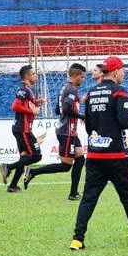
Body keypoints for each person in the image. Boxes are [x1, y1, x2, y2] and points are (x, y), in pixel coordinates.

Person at [70, 56, 128, 250]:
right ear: (116, 71)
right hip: (116, 156)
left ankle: (77, 240)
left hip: (94, 155)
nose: (124, 73)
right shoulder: (119, 92)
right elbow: (127, 122)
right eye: (123, 70)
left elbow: (89, 125)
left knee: (88, 198)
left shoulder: (90, 93)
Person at [23, 63, 86, 200]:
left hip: (70, 131)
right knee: (65, 166)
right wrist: (82, 116)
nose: (83, 80)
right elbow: (67, 109)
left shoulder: (64, 87)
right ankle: (32, 172)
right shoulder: (72, 89)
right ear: (74, 76)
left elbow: (59, 109)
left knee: (80, 159)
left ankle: (73, 193)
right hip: (67, 131)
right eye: (82, 77)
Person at [0, 65, 45, 193]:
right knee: (37, 156)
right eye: (34, 74)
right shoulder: (24, 90)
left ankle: (13, 186)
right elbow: (15, 106)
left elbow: (25, 104)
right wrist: (33, 110)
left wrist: (36, 103)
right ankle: (8, 167)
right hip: (23, 129)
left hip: (20, 128)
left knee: (24, 157)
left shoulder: (27, 90)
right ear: (27, 76)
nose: (35, 76)